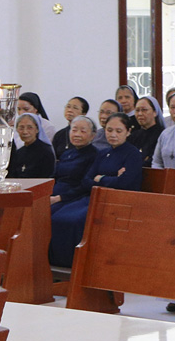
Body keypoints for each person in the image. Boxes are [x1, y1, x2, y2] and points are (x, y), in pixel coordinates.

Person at [49, 113, 143, 267]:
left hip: (118, 200)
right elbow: (87, 180)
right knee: (57, 217)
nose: (113, 135)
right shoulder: (103, 153)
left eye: (118, 131)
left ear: (128, 132)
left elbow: (125, 183)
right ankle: (57, 264)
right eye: (109, 130)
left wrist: (101, 178)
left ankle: (76, 265)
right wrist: (110, 179)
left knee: (73, 220)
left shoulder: (132, 154)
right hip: (94, 196)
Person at [49, 116, 98, 207]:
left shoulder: (95, 155)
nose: (77, 134)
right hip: (53, 195)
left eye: (83, 131)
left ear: (93, 135)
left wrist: (59, 198)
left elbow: (86, 185)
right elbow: (54, 177)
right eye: (74, 130)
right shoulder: (66, 153)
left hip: (74, 199)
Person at [8, 113, 56, 178]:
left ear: (37, 129)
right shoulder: (19, 152)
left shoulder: (45, 151)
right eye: (21, 128)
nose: (25, 132)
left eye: (30, 128)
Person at [128, 95, 165, 168]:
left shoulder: (162, 135)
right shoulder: (134, 135)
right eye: (137, 110)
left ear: (155, 112)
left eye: (144, 110)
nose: (140, 114)